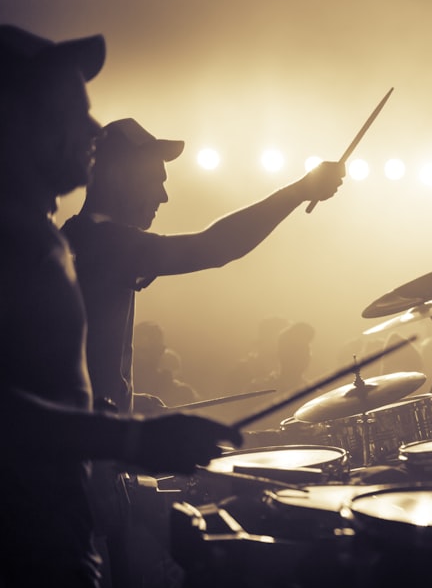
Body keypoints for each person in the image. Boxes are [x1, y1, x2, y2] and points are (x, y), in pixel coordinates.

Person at [0, 24, 242, 588]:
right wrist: (129, 441)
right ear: (15, 119)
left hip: (42, 553)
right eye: (73, 109)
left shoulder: (34, 234)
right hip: (9, 568)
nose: (92, 128)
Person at [61, 117, 345, 417]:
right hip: (91, 456)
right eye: (154, 180)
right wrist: (299, 191)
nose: (163, 195)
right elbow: (215, 247)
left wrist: (128, 398)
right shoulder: (105, 244)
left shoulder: (80, 236)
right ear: (119, 178)